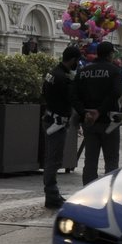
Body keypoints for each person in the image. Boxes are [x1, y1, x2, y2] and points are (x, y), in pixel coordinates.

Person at [74, 40, 122, 184]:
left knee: (90, 160)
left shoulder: (83, 71)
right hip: (109, 122)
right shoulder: (114, 71)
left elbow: (74, 95)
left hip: (89, 121)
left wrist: (84, 113)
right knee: (111, 160)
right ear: (110, 55)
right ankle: (108, 192)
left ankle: (88, 192)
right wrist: (99, 111)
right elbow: (116, 93)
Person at [41, 45, 80, 209]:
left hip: (49, 117)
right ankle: (51, 195)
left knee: (51, 158)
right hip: (57, 122)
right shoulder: (63, 78)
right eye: (77, 61)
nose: (78, 63)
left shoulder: (51, 73)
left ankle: (52, 194)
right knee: (54, 160)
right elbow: (71, 99)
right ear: (72, 60)